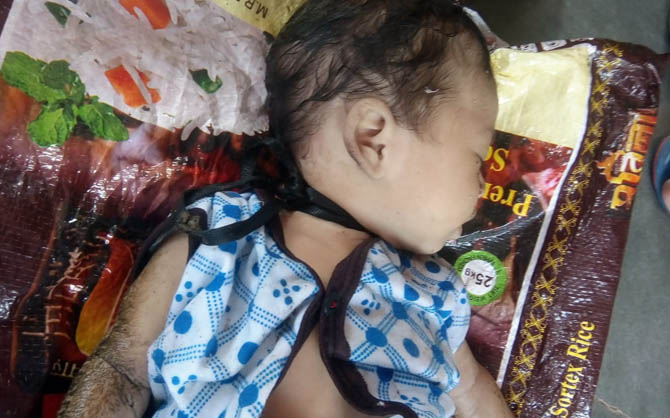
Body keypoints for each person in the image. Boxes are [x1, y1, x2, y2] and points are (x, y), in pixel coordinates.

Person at [59, 0, 513, 417]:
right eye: (477, 159)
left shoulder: (435, 291)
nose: (482, 186)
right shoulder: (218, 236)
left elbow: (473, 393)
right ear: (374, 138)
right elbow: (123, 369)